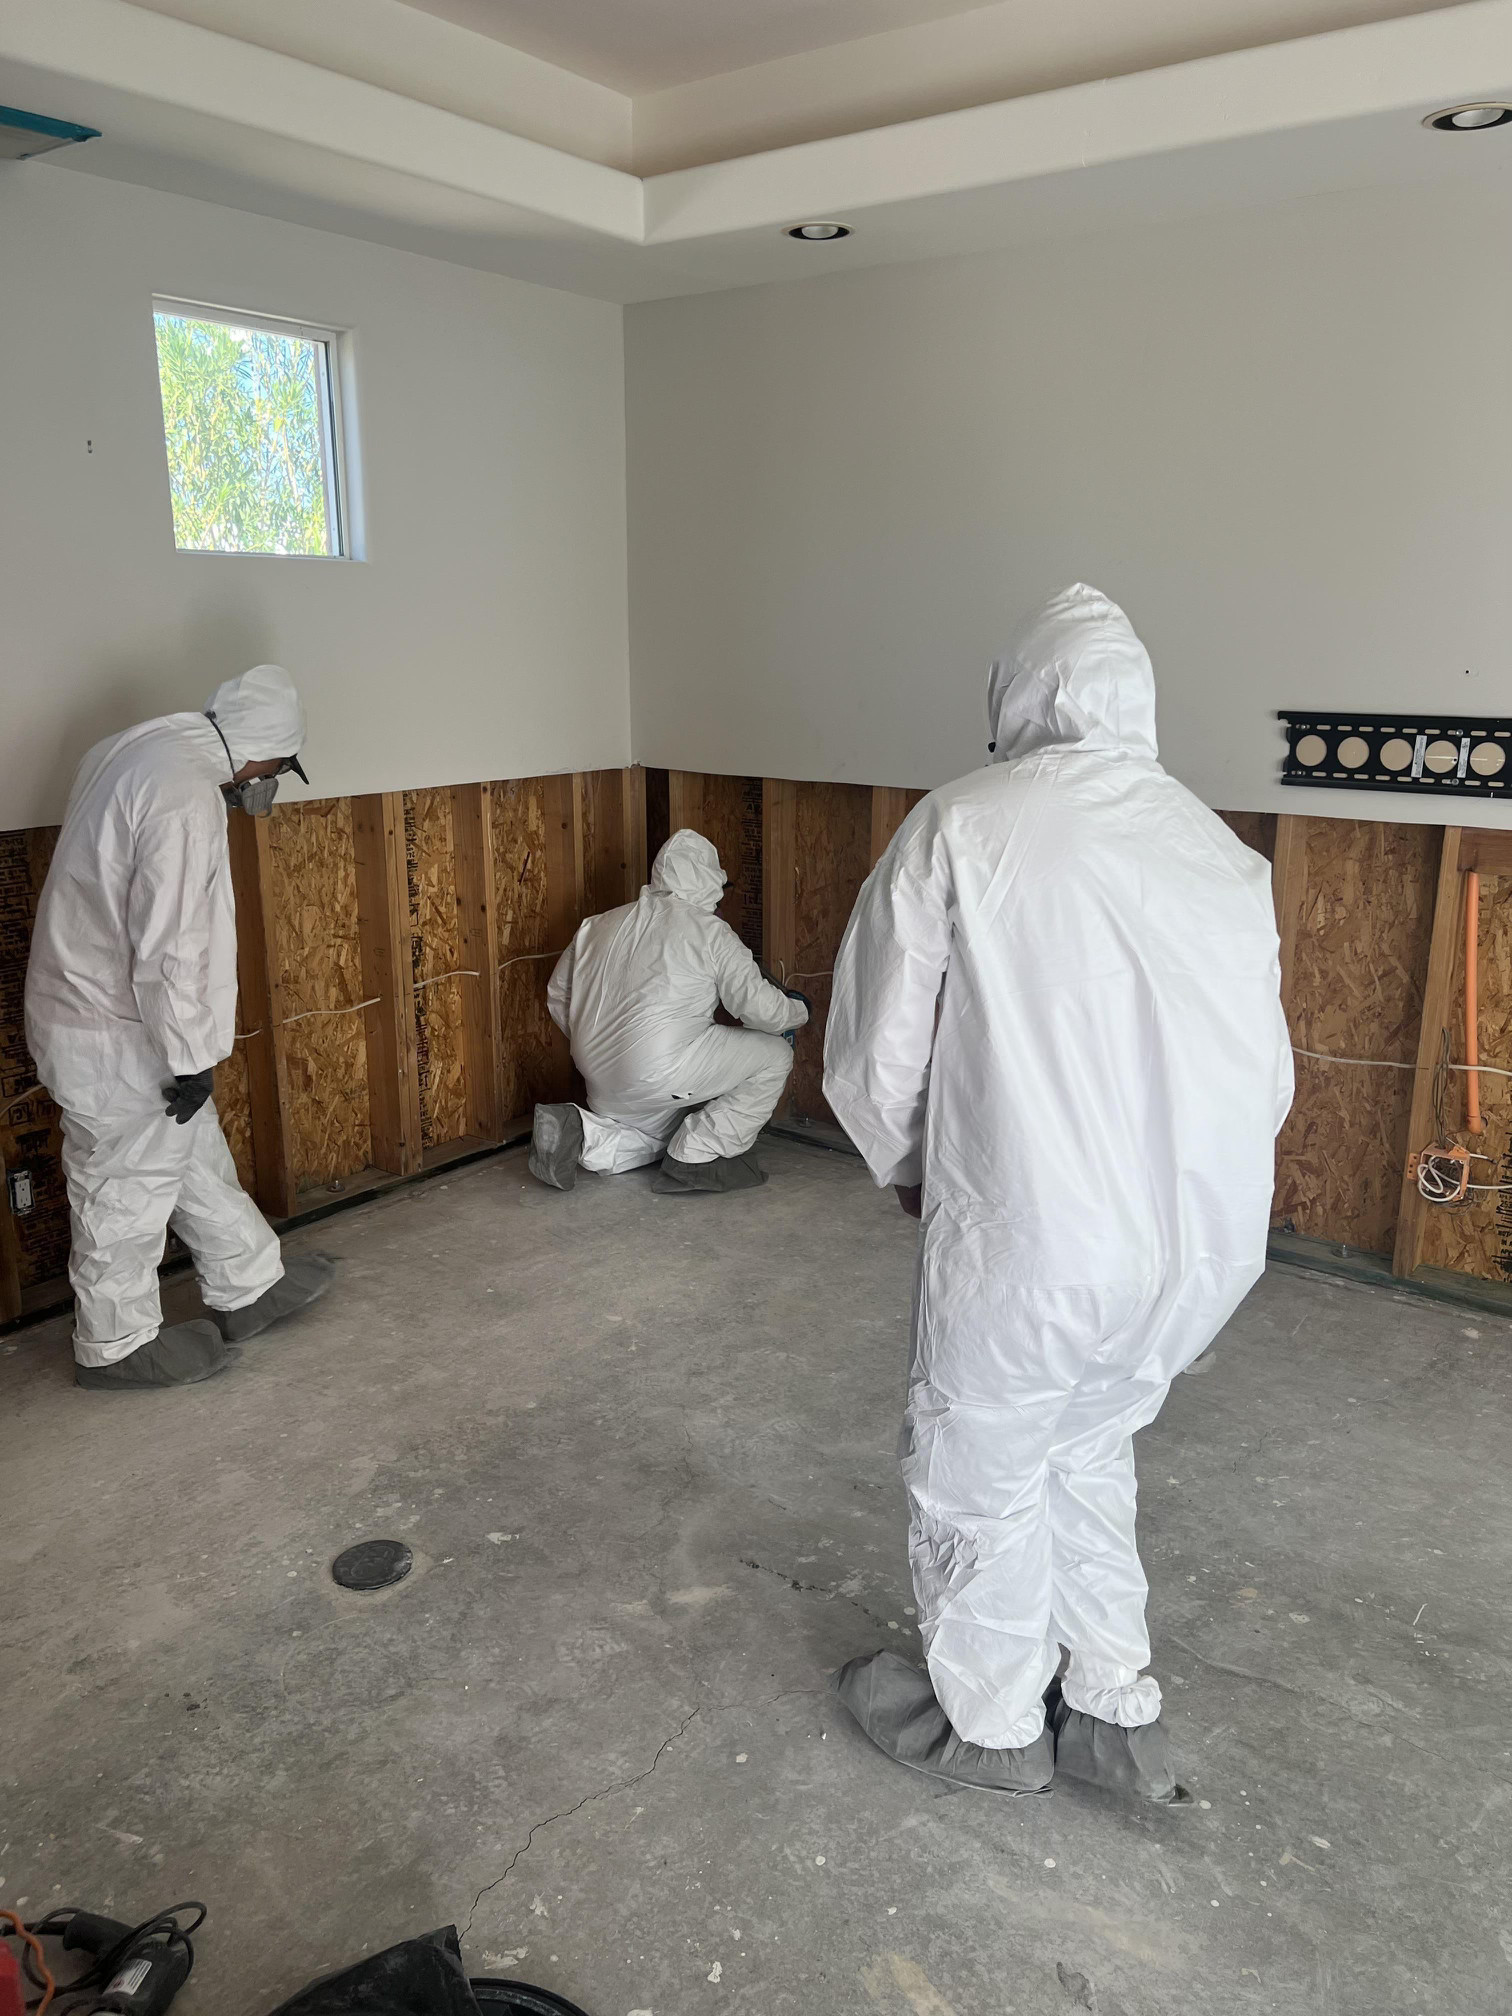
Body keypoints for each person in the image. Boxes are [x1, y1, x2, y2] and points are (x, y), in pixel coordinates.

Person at [823, 584, 1292, 1801]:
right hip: (1195, 1255)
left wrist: (911, 1168)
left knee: (979, 1463)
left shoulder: (965, 826)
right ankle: (1110, 1706)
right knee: (1091, 1446)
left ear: (1020, 699)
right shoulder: (1222, 853)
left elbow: (877, 1050)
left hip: (1031, 1241)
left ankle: (985, 1726)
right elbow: (1262, 1071)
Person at [25, 664, 336, 1392]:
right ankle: (116, 1344)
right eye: (279, 770)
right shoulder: (186, 797)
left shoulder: (135, 750)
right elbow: (175, 946)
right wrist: (193, 1056)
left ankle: (250, 1285)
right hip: (113, 1031)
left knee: (189, 1153)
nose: (266, 785)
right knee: (124, 1184)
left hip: (103, 1009)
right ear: (264, 752)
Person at [529, 828, 809, 1194]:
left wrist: (602, 1042)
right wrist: (798, 1011)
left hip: (597, 1072)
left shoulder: (597, 925)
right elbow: (761, 1011)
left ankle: (581, 1132)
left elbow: (557, 995)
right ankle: (698, 1156)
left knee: (654, 1137)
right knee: (775, 1055)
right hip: (659, 1071)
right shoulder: (710, 931)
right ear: (711, 883)